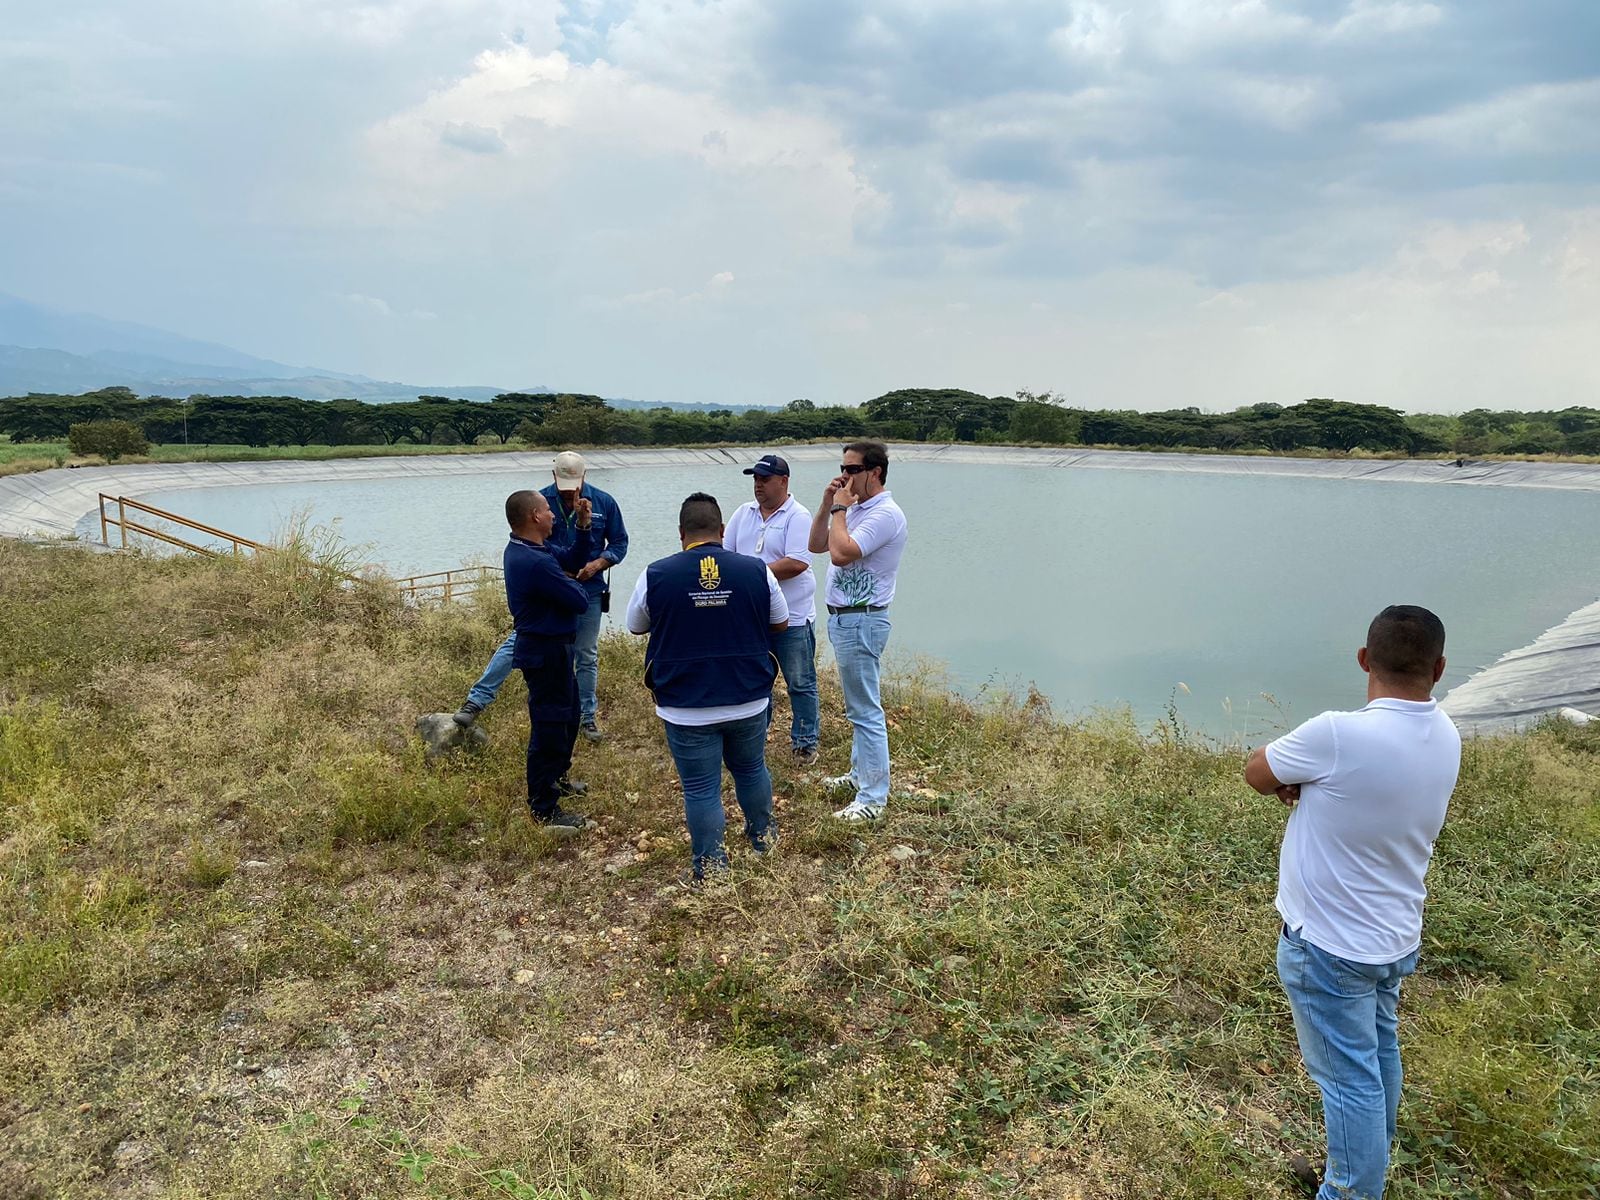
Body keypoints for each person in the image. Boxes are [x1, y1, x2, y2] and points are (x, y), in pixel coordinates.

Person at [1244, 606, 1461, 1200]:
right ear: (1439, 669)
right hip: (1394, 937)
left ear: (1364, 659)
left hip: (1328, 943)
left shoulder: (1336, 735)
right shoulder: (1446, 735)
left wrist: (1301, 777)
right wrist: (1312, 780)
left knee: (1348, 1080)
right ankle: (1370, 1161)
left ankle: (1350, 1190)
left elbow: (1258, 771)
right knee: (1378, 1051)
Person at [626, 492, 789, 882]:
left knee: (700, 788)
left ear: (681, 533)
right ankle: (764, 838)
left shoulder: (656, 573)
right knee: (750, 769)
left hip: (685, 704)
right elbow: (781, 622)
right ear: (721, 530)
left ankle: (712, 867)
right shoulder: (757, 570)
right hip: (748, 698)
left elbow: (635, 625)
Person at [455, 451, 628, 741]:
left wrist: (600, 562)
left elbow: (620, 542)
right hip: (549, 588)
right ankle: (476, 701)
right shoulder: (538, 503)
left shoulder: (604, 502)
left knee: (585, 654)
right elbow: (532, 544)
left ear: (584, 476)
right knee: (518, 641)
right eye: (563, 484)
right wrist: (558, 573)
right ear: (553, 477)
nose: (569, 490)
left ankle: (587, 719)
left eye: (574, 482)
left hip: (590, 588)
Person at [808, 441, 908, 821]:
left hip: (863, 618)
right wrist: (827, 503)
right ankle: (858, 775)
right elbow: (816, 544)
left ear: (875, 472)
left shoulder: (885, 514)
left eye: (852, 469)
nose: (845, 476)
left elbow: (841, 553)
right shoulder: (855, 508)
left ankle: (872, 798)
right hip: (844, 617)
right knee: (857, 706)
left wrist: (839, 510)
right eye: (842, 468)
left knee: (866, 711)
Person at [501, 489, 597, 833]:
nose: (555, 515)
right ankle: (543, 807)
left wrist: (584, 527)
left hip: (555, 648)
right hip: (545, 651)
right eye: (547, 511)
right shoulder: (535, 561)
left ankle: (558, 778)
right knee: (548, 726)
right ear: (534, 517)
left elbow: (572, 561)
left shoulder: (532, 549)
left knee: (568, 717)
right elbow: (579, 599)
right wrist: (571, 582)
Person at [724, 454, 820, 765]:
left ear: (783, 481)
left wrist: (750, 574)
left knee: (800, 681)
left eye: (764, 479)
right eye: (755, 479)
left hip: (792, 617)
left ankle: (805, 742)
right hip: (752, 618)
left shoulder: (798, 516)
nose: (758, 485)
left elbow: (797, 562)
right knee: (754, 680)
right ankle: (754, 737)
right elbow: (726, 554)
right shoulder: (744, 513)